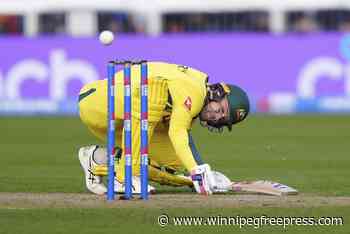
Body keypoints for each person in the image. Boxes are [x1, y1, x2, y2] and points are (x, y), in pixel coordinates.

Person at [78, 61, 249, 195]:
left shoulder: (197, 97)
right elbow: (177, 131)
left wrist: (204, 172)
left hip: (118, 116)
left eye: (223, 119)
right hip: (99, 102)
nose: (216, 117)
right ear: (218, 92)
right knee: (153, 100)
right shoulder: (195, 92)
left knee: (174, 166)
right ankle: (124, 178)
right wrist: (196, 171)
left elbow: (184, 140)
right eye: (222, 109)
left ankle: (97, 159)